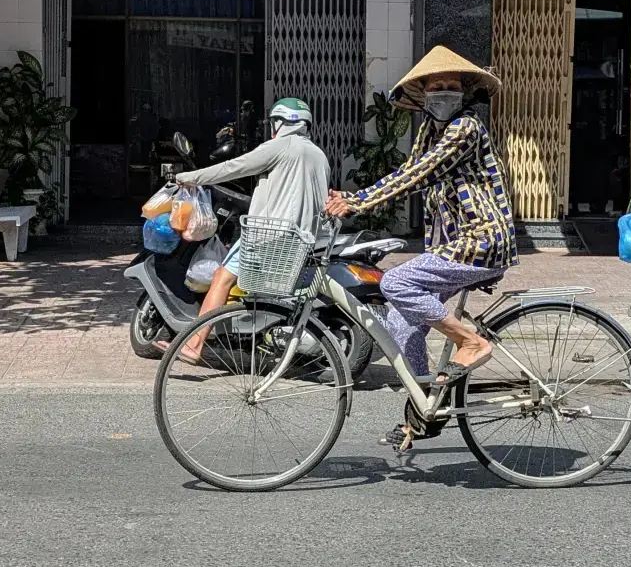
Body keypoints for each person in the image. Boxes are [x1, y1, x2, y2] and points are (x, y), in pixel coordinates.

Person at [326, 45, 515, 389]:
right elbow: (409, 169)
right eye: (436, 86)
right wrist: (350, 198)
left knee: (394, 282)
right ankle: (422, 401)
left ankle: (470, 341)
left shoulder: (466, 128)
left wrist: (360, 200)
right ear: (424, 93)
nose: (444, 92)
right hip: (452, 245)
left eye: (452, 86)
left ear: (464, 93)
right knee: (401, 322)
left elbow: (422, 174)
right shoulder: (430, 128)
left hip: (482, 241)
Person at [162, 98, 331, 363]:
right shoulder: (319, 156)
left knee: (222, 278)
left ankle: (194, 344)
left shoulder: (279, 145)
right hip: (301, 241)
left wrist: (189, 178)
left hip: (267, 234)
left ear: (280, 122)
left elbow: (234, 167)